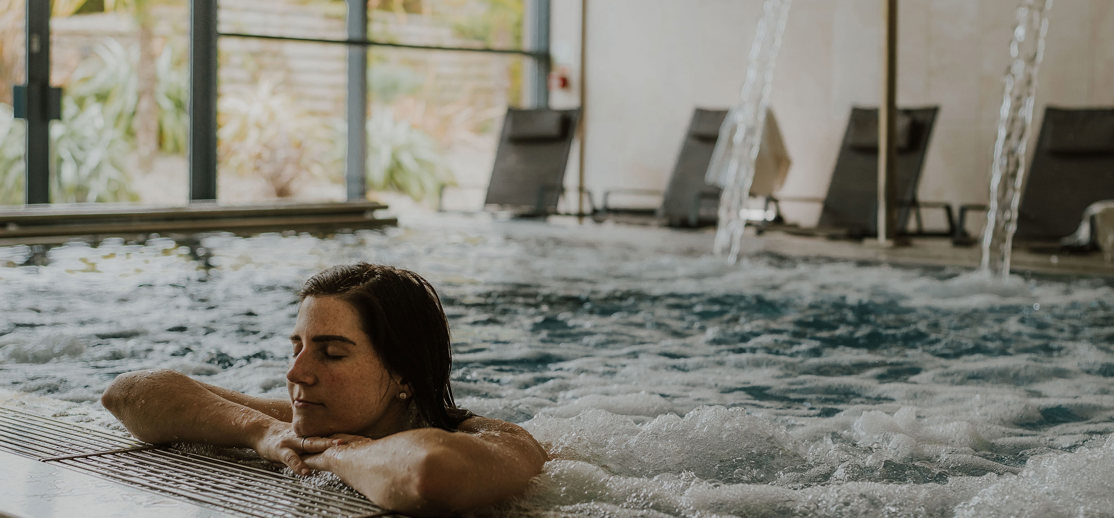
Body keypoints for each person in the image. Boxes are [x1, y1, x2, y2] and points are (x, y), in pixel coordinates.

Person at [101, 263, 547, 516]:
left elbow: (428, 472)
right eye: (298, 347)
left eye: (331, 353)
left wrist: (335, 455)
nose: (297, 373)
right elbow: (127, 393)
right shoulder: (303, 422)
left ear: (406, 376)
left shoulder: (502, 441)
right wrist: (261, 432)